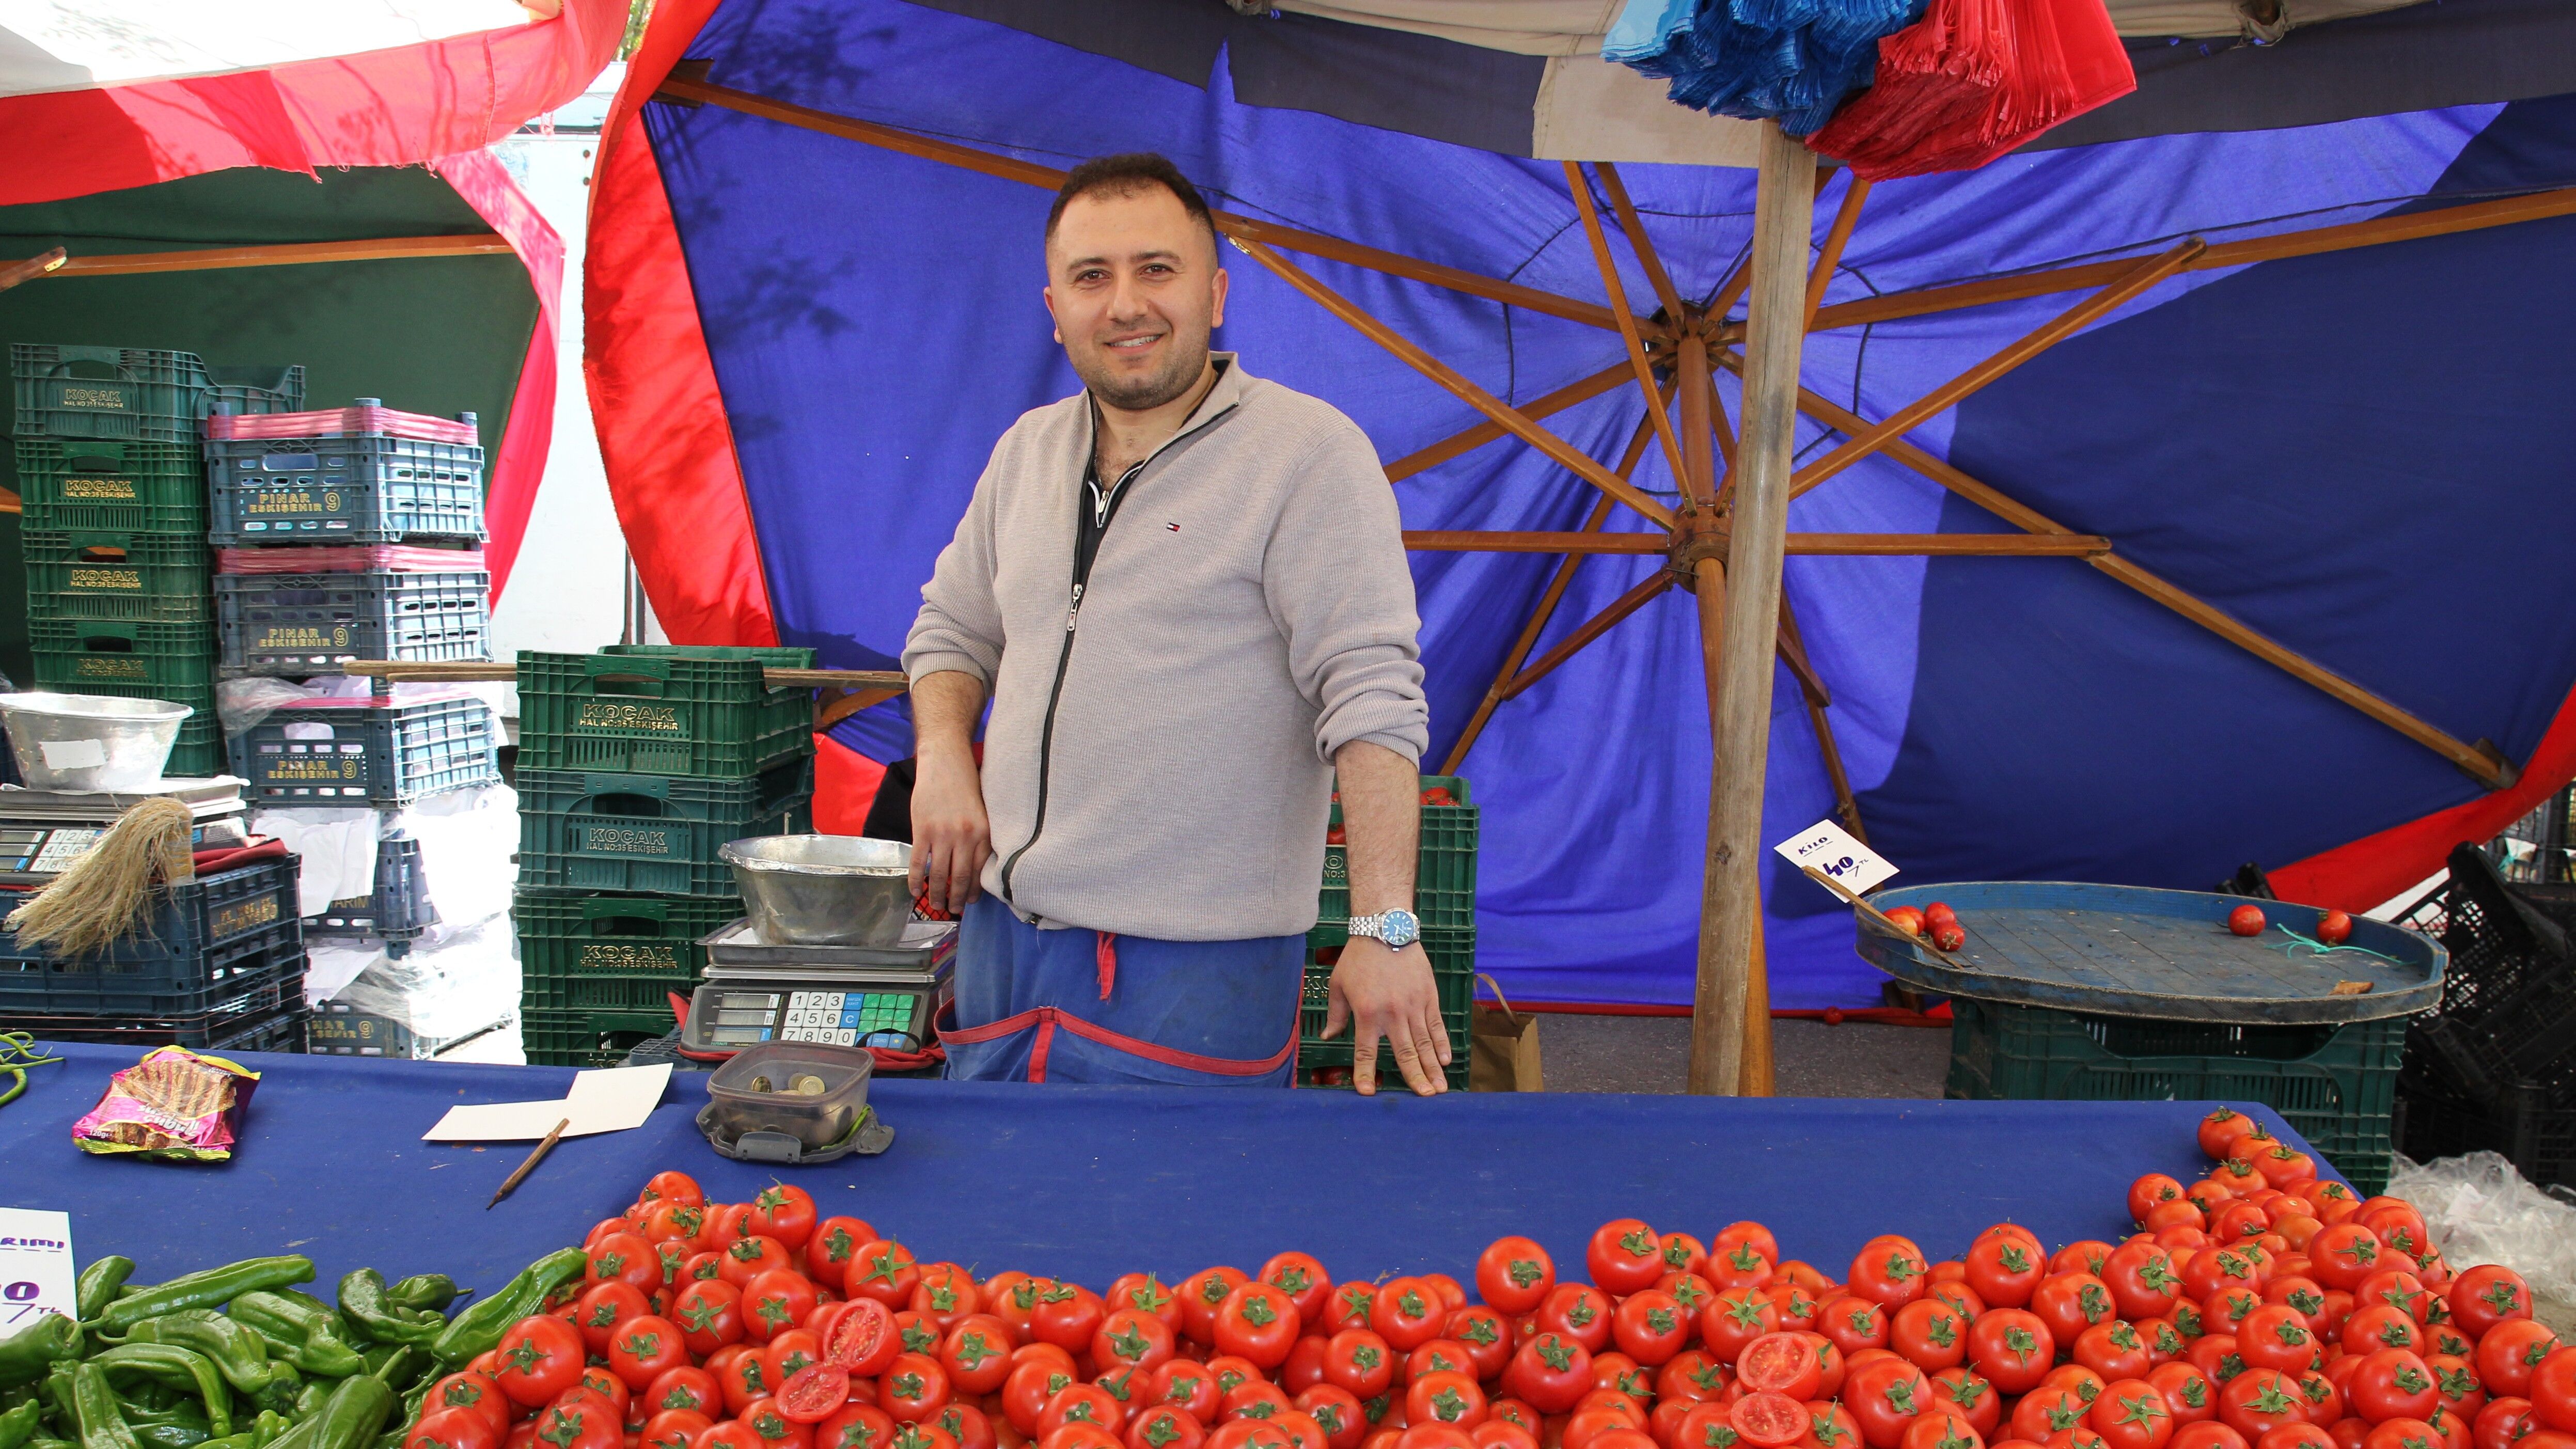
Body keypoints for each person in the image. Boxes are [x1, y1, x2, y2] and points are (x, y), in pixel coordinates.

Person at [902, 152, 1450, 1094]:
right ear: (1055, 307)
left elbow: (1372, 699)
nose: (1125, 304)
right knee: (988, 1233)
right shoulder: (1026, 451)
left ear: (1216, 291)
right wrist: (945, 754)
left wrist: (1383, 924)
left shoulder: (1309, 456)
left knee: (1180, 1238)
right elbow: (951, 629)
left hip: (1194, 969)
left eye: (1157, 269)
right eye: (1092, 277)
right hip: (1000, 947)